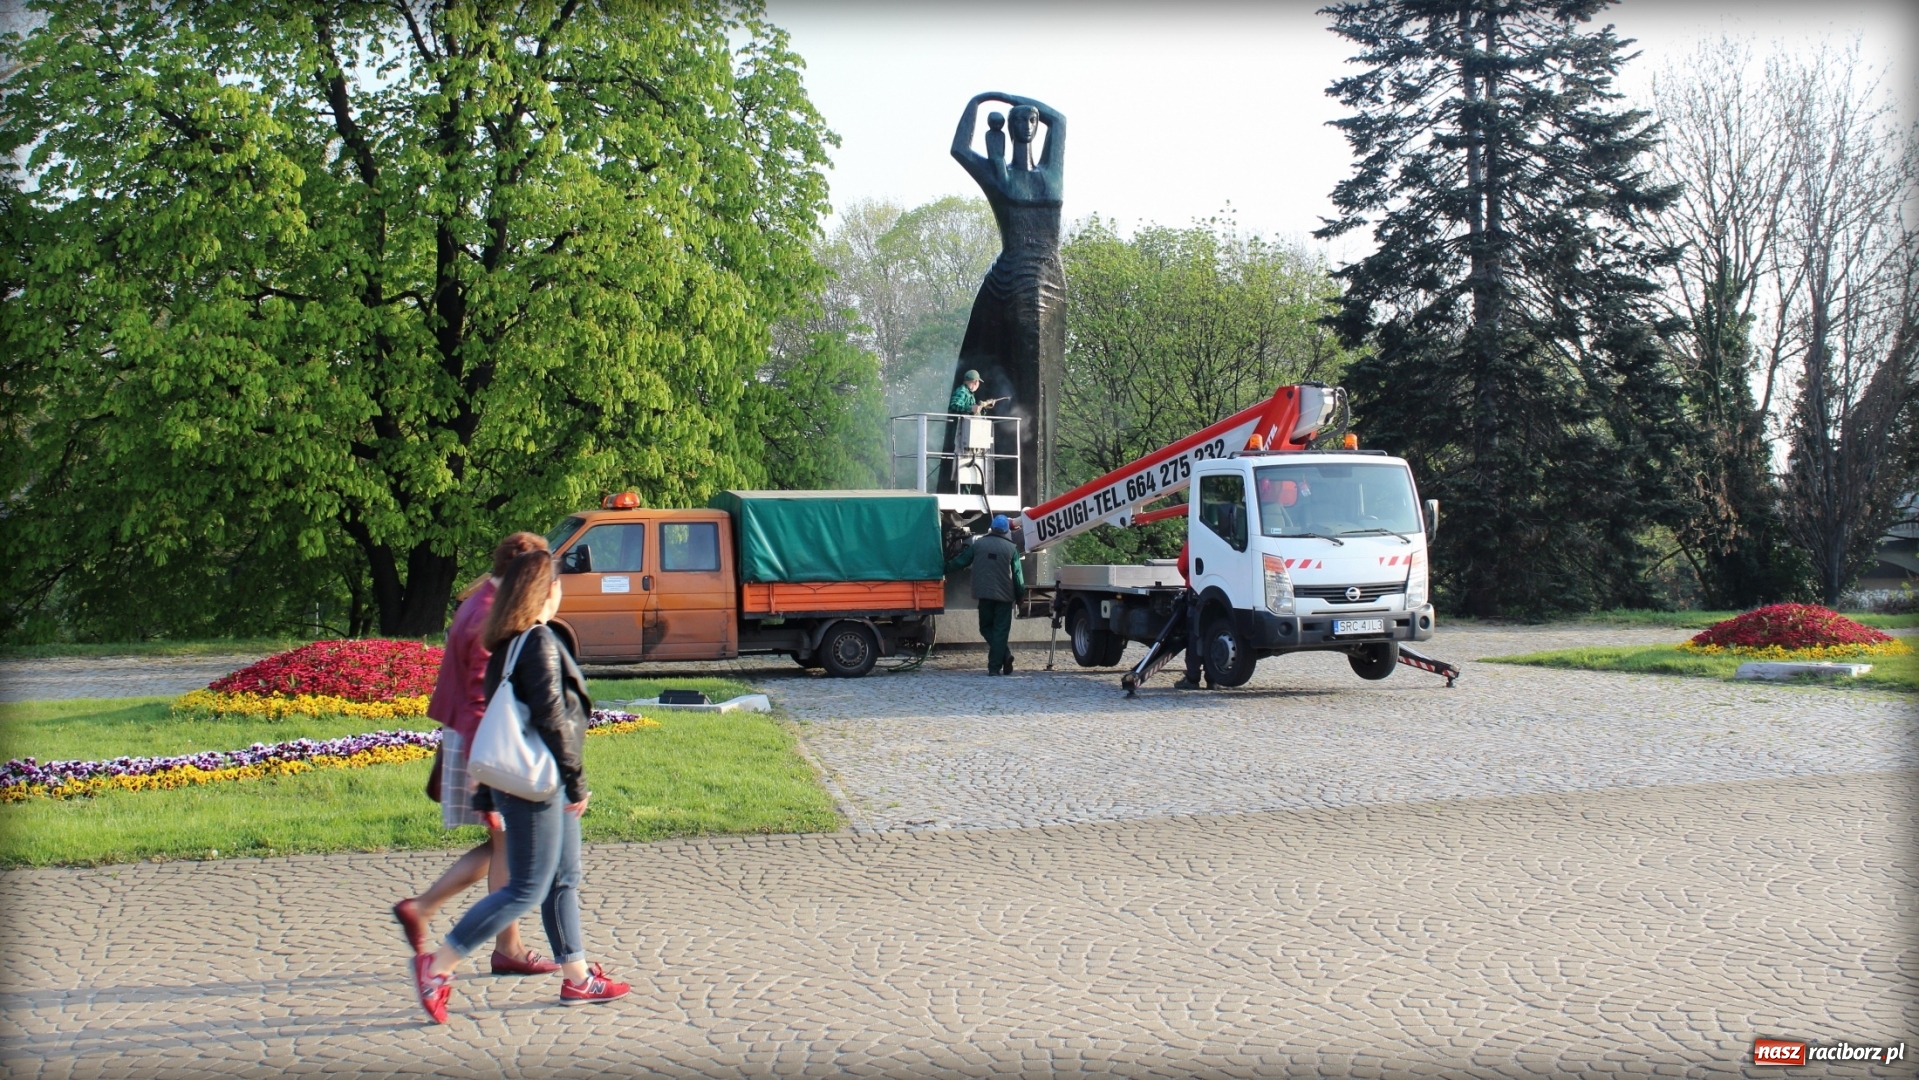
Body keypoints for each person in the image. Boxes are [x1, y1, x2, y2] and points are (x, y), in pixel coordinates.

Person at [409, 551, 630, 1023]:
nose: (562, 592)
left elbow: (494, 718)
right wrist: (576, 783)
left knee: (564, 877)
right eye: (558, 585)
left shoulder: (506, 643)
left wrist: (488, 791)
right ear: (545, 591)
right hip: (540, 780)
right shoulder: (539, 642)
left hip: (527, 778)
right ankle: (437, 966)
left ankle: (577, 976)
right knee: (526, 888)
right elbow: (551, 719)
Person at [392, 533, 560, 977]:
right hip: (483, 746)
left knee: (502, 844)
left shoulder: (482, 600)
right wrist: (482, 777)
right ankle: (497, 943)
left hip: (472, 741)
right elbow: (479, 698)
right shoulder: (489, 614)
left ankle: (434, 911)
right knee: (510, 845)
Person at [945, 514, 1024, 675]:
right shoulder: (1012, 549)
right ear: (1005, 531)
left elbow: (961, 561)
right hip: (1005, 596)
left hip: (984, 594)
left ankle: (1002, 658)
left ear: (992, 528)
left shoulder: (979, 544)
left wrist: (943, 568)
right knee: (1001, 631)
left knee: (985, 627)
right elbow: (1017, 575)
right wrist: (1020, 596)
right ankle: (998, 664)